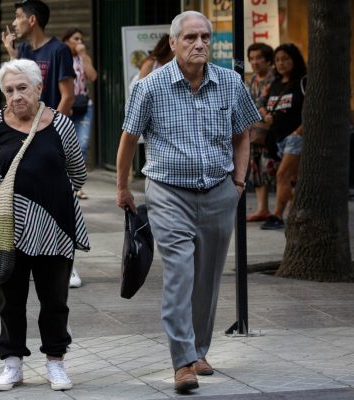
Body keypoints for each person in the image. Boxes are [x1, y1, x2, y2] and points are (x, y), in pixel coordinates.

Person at [116, 11, 260, 393]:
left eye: (205, 37)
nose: (199, 44)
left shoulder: (230, 82)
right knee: (180, 274)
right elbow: (129, 139)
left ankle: (198, 350)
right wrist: (122, 187)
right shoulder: (150, 87)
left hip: (218, 191)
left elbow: (243, 133)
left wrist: (239, 182)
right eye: (191, 38)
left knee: (208, 278)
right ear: (174, 42)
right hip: (168, 192)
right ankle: (182, 362)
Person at [0, 59, 89, 392]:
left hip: (54, 226)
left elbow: (78, 173)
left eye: (22, 88)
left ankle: (56, 362)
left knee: (54, 300)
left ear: (39, 88)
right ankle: (12, 365)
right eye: (9, 90)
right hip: (8, 227)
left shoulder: (61, 126)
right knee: (9, 300)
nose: (16, 96)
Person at [61, 27, 97, 288]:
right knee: (67, 145)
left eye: (81, 39)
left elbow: (93, 76)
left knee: (81, 144)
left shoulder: (82, 59)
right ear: (65, 42)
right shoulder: (61, 58)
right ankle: (71, 183)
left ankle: (76, 184)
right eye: (75, 39)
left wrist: (84, 56)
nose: (79, 42)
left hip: (84, 105)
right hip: (68, 106)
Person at [1, 0, 75, 116]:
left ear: (32, 20)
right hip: (26, 126)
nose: (14, 23)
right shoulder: (22, 50)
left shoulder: (59, 50)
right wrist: (12, 56)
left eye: (18, 17)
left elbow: (68, 97)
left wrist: (52, 128)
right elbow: (13, 88)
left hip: (50, 126)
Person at [260, 43, 306, 230]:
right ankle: (297, 214)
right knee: (294, 179)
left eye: (285, 59)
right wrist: (266, 115)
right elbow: (263, 104)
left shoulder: (303, 81)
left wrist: (298, 132)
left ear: (295, 60)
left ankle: (277, 215)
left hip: (295, 137)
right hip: (277, 138)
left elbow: (312, 111)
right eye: (277, 60)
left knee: (283, 175)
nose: (281, 63)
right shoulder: (275, 84)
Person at [245, 42, 277, 222]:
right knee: (256, 168)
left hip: (271, 131)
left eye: (259, 58)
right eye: (252, 58)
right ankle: (262, 208)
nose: (255, 62)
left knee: (274, 169)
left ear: (267, 60)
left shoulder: (274, 78)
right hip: (255, 132)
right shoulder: (253, 80)